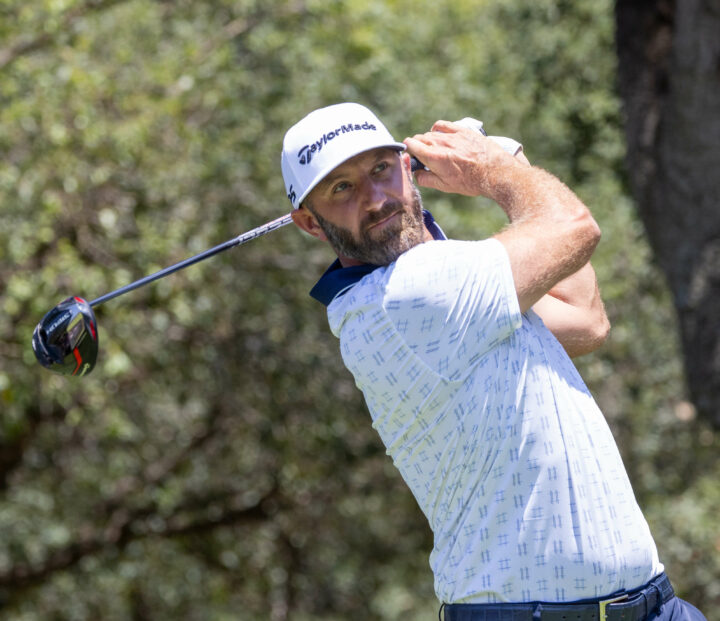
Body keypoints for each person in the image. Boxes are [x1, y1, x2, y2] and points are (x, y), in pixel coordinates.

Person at [280, 102, 705, 620]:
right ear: (309, 221)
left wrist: (512, 167)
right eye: (341, 188)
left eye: (380, 169)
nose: (375, 198)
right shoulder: (406, 297)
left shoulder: (460, 290)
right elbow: (573, 226)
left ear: (406, 169)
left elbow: (585, 317)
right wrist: (493, 169)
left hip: (654, 605)